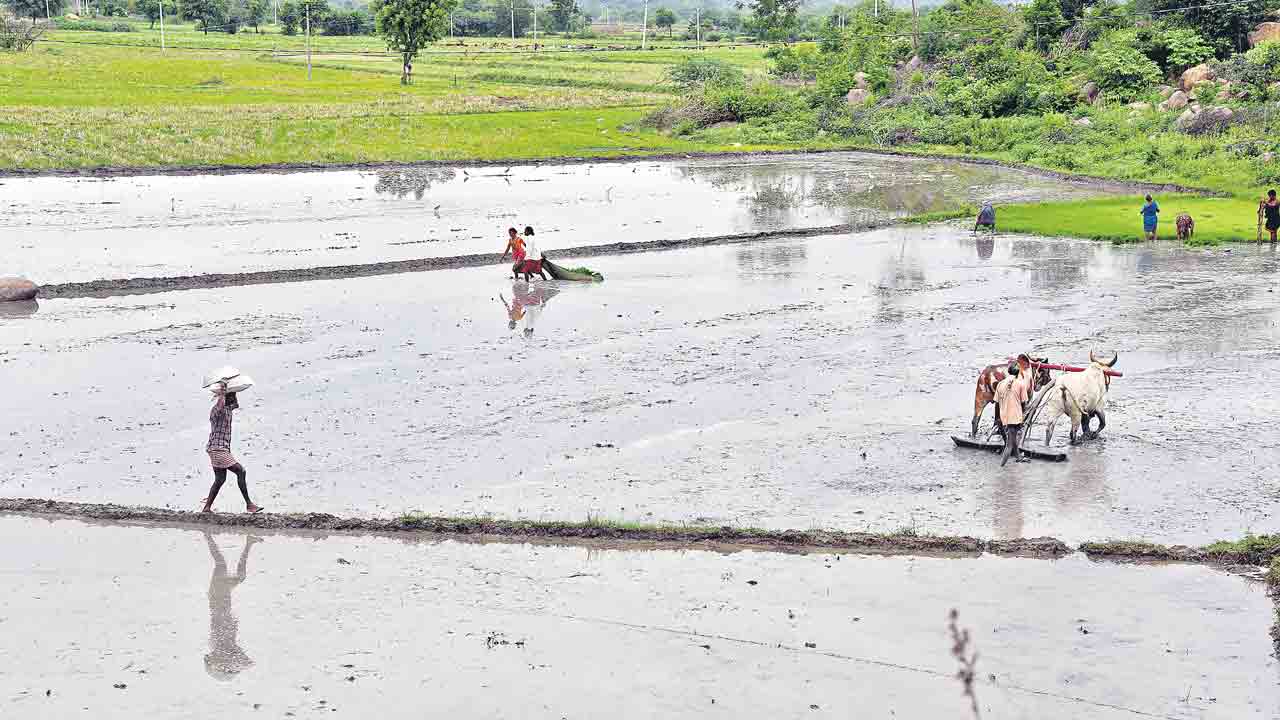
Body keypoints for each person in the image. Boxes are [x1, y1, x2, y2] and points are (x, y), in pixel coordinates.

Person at [202, 383, 263, 514]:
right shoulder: (217, 410)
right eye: (232, 396)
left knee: (220, 479)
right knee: (241, 471)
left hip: (220, 449)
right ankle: (249, 505)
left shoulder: (228, 409)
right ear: (226, 398)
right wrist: (222, 392)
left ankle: (206, 508)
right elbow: (220, 405)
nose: (234, 398)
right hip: (217, 449)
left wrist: (233, 389)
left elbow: (236, 404)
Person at [994, 362, 1031, 466]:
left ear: (1008, 371)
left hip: (1004, 416)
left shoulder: (1000, 384)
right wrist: (1022, 416)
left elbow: (996, 403)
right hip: (1014, 417)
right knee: (1009, 445)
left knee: (1012, 437)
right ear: (1018, 372)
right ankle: (1001, 467)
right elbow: (1023, 403)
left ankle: (1018, 457)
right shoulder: (1021, 384)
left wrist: (997, 418)